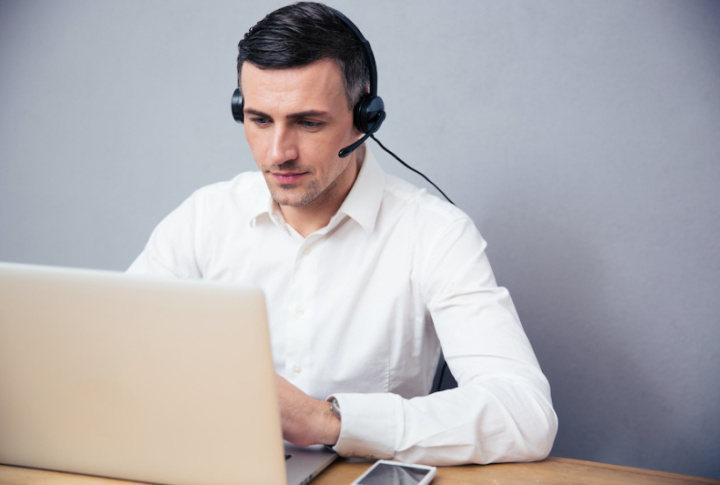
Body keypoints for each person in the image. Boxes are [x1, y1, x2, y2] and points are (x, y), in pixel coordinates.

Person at [128, 2, 557, 465]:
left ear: (364, 115)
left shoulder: (436, 235)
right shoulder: (203, 218)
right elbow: (115, 355)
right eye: (259, 120)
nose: (278, 153)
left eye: (308, 122)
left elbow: (525, 415)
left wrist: (325, 420)